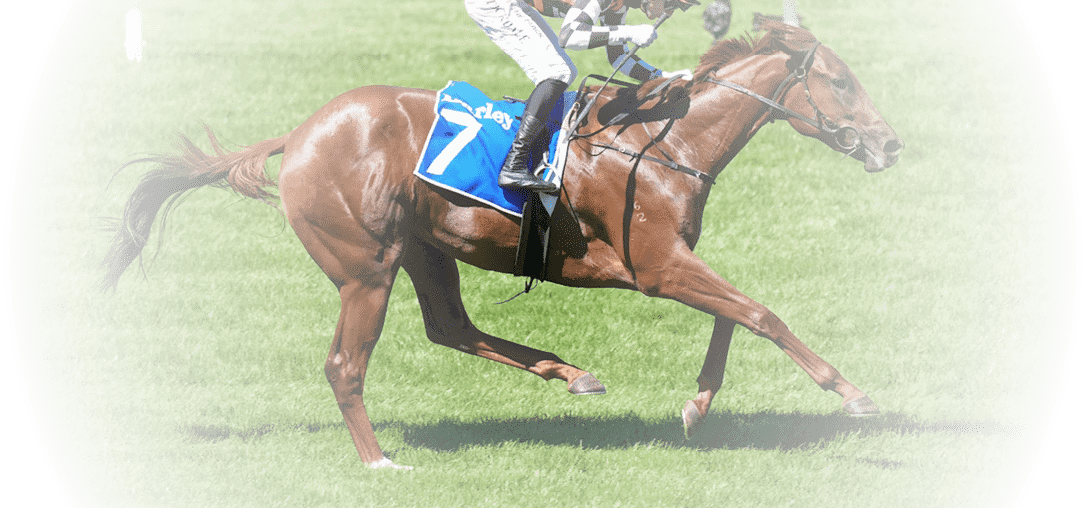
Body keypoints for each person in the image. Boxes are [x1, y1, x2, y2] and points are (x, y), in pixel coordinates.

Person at [465, 0, 699, 193]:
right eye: (671, 3)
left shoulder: (620, 5)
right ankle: (514, 164)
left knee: (563, 71)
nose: (669, 11)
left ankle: (531, 149)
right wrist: (631, 32)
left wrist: (662, 77)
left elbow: (618, 58)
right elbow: (570, 36)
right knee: (556, 71)